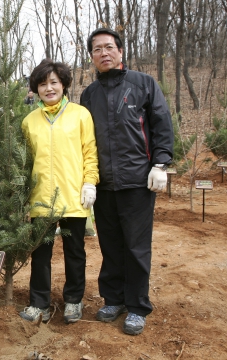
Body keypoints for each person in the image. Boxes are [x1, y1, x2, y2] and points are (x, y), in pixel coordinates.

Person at [80, 28, 173, 336]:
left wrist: (160, 164)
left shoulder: (143, 84)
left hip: (137, 182)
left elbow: (161, 124)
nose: (104, 53)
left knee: (135, 246)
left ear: (120, 51)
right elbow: (84, 140)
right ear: (92, 57)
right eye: (97, 49)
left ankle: (137, 306)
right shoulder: (89, 94)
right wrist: (87, 179)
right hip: (103, 185)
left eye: (109, 47)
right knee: (110, 245)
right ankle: (114, 299)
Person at [19, 59, 99, 324]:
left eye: (54, 82)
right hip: (41, 199)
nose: (49, 88)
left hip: (74, 197)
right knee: (40, 254)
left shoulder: (80, 114)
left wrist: (89, 182)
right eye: (43, 84)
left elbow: (90, 152)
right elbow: (25, 161)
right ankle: (38, 302)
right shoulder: (29, 121)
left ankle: (73, 300)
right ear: (36, 89)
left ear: (64, 84)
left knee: (75, 252)